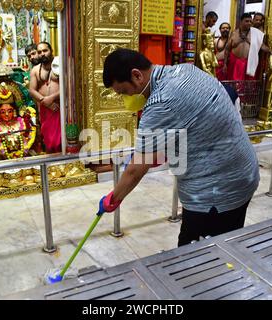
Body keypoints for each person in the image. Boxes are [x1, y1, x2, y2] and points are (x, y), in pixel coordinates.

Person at [98, 49, 260, 247]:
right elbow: (194, 121)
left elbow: (134, 171)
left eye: (124, 92)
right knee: (226, 244)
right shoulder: (186, 70)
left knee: (195, 260)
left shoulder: (160, 103)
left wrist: (113, 198)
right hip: (243, 173)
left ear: (137, 75)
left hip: (215, 193)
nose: (126, 99)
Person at [0, 82, 36, 160]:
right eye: (3, 112)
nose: (6, 114)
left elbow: (29, 137)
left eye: (9, 111)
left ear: (14, 111)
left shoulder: (22, 122)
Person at [29, 41, 61, 153]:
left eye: (45, 50)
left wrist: (51, 98)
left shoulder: (60, 64)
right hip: (45, 108)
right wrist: (44, 101)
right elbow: (32, 90)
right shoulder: (35, 70)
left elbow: (69, 86)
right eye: (39, 52)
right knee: (48, 139)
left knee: (59, 140)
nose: (42, 54)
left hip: (59, 107)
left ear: (51, 51)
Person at [223, 13, 272, 81]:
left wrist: (270, 50)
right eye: (247, 21)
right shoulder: (234, 33)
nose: (249, 23)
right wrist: (225, 64)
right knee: (232, 84)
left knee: (246, 85)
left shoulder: (255, 33)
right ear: (241, 21)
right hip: (234, 63)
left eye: (250, 21)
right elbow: (227, 49)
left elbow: (261, 45)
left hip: (248, 63)